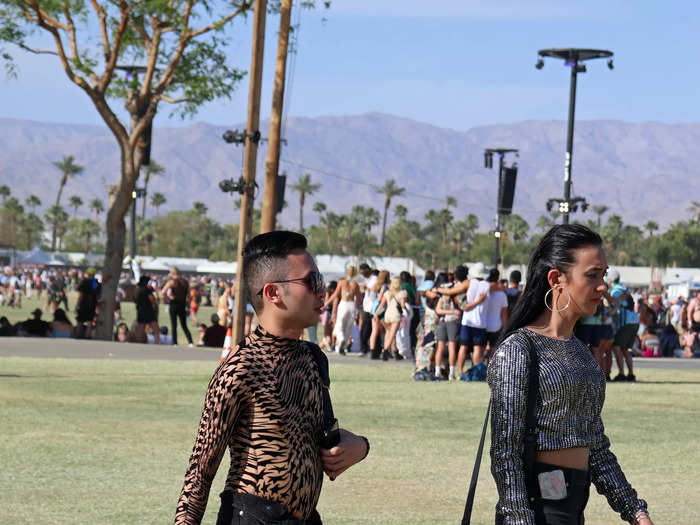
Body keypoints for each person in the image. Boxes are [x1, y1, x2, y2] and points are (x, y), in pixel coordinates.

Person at [174, 231, 369, 525]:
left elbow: (313, 439)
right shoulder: (240, 370)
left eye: (322, 282)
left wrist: (360, 446)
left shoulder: (313, 358)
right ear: (273, 293)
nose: (322, 292)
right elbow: (200, 472)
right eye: (311, 282)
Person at [487, 224, 652, 525]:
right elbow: (505, 452)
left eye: (604, 274)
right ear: (556, 279)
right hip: (535, 511)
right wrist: (520, 521)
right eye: (592, 275)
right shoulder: (519, 349)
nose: (602, 285)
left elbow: (595, 445)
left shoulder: (580, 352)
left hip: (572, 509)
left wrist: (635, 511)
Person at [605, 268, 639, 381]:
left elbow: (615, 305)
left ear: (610, 280)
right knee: (625, 348)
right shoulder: (623, 288)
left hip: (626, 322)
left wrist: (608, 313)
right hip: (634, 321)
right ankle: (631, 374)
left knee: (616, 346)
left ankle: (621, 374)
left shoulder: (616, 290)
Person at [324, 265, 361, 354]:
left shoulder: (342, 282)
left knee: (339, 325)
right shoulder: (355, 284)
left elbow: (335, 294)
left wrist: (327, 303)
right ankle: (343, 346)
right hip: (352, 305)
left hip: (344, 304)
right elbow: (359, 298)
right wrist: (357, 309)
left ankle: (341, 339)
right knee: (348, 327)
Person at [373, 276, 408, 360]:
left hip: (387, 314)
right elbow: (403, 305)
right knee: (392, 334)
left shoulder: (387, 293)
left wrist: (376, 314)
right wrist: (406, 310)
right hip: (395, 314)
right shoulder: (402, 293)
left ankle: (394, 352)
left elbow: (381, 305)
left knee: (388, 333)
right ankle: (385, 351)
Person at [162, 266, 194, 347]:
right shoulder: (185, 281)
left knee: (174, 324)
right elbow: (189, 295)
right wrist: (188, 306)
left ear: (172, 273)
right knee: (184, 325)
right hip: (182, 304)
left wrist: (168, 298)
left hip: (174, 303)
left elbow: (163, 291)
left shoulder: (171, 282)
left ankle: (175, 342)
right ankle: (190, 342)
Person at [75, 268, 100, 339]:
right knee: (90, 320)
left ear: (88, 273)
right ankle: (88, 336)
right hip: (92, 304)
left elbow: (81, 295)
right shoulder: (95, 282)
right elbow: (97, 294)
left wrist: (77, 304)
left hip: (83, 303)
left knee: (80, 320)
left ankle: (78, 335)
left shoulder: (84, 281)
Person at [358, 263, 377, 355]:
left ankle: (364, 348)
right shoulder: (367, 279)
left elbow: (375, 290)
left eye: (363, 272)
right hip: (366, 307)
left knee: (367, 329)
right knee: (365, 329)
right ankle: (364, 348)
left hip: (372, 307)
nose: (362, 275)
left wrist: (367, 288)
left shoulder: (374, 279)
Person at [135, 275, 160, 344]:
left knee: (141, 328)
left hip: (140, 310)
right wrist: (155, 303)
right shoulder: (147, 289)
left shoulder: (138, 289)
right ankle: (156, 342)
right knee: (155, 328)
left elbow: (135, 299)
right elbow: (151, 299)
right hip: (148, 310)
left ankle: (139, 342)